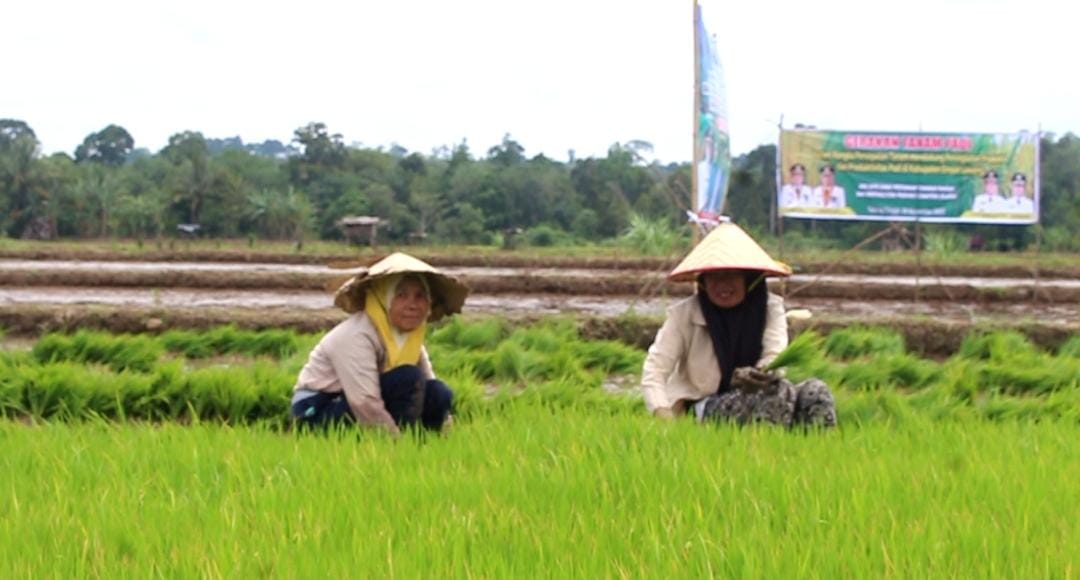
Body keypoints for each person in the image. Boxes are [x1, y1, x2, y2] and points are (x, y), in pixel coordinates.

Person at [641, 222, 836, 428]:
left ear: (750, 279)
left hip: (763, 395)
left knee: (816, 391)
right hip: (705, 405)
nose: (722, 284)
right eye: (714, 276)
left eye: (732, 275)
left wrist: (759, 373)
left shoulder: (770, 308)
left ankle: (807, 454)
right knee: (774, 393)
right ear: (702, 282)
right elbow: (654, 370)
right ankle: (759, 455)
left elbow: (775, 353)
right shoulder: (684, 314)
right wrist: (662, 411)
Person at [290, 252, 468, 434]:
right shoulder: (356, 335)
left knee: (439, 392)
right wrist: (397, 444)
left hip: (356, 404)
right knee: (408, 379)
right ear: (384, 299)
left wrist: (447, 430)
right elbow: (364, 401)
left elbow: (429, 382)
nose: (412, 304)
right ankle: (399, 448)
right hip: (317, 409)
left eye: (420, 296)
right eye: (401, 295)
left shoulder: (408, 339)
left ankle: (425, 444)